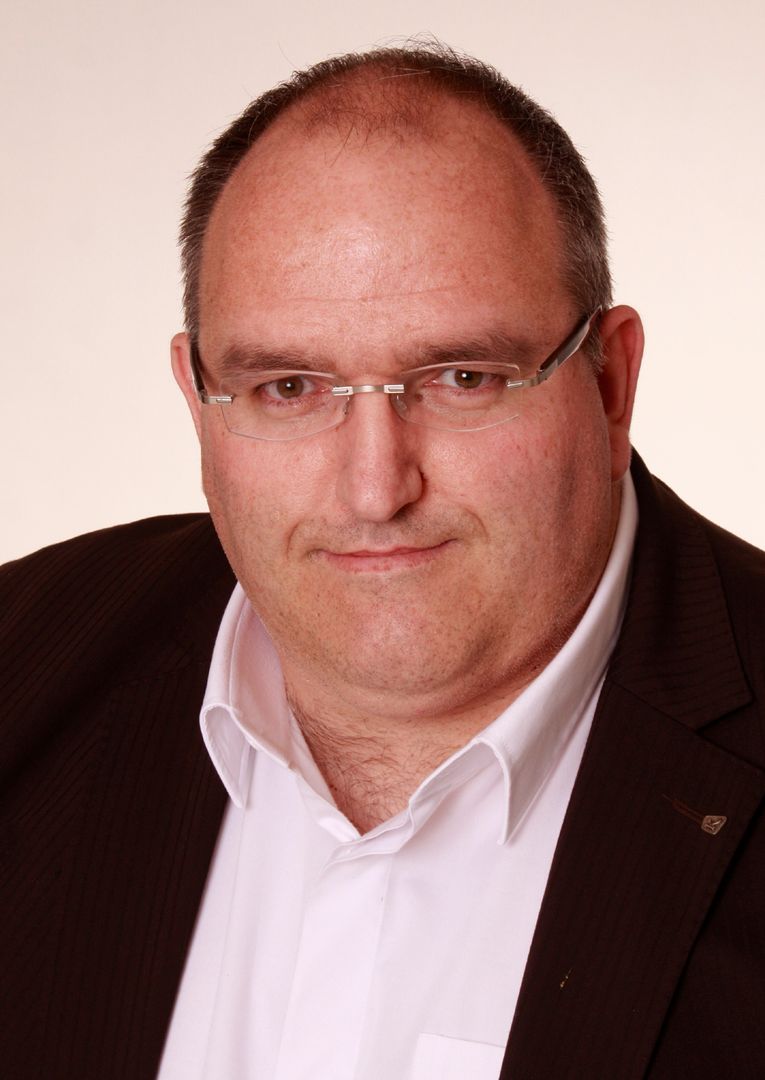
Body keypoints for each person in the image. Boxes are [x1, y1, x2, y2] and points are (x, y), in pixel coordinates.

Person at [2, 43, 764, 1080]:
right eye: (288, 388)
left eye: (461, 377)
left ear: (609, 381)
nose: (375, 489)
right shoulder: (24, 661)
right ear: (198, 400)